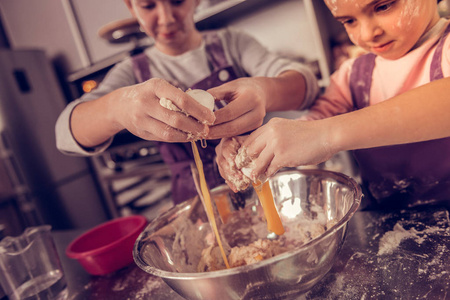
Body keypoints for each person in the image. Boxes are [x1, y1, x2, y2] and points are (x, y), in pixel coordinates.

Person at [55, 0, 319, 204]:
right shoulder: (130, 73)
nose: (167, 18)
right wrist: (117, 107)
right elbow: (65, 134)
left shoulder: (233, 44)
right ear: (131, 7)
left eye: (178, 1)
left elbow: (307, 86)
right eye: (148, 5)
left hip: (265, 186)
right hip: (198, 205)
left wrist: (265, 91)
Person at [216, 0, 450, 209]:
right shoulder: (351, 75)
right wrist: (258, 146)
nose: (368, 33)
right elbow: (311, 125)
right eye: (349, 21)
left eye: (383, 6)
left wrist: (326, 134)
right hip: (388, 214)